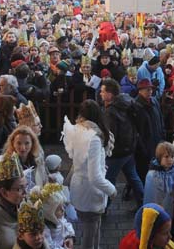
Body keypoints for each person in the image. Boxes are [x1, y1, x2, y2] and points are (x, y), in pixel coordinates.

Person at [62, 100, 116, 249]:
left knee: (89, 228)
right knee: (90, 234)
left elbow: (78, 158)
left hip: (78, 187)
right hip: (90, 192)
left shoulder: (77, 129)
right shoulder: (94, 138)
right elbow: (95, 177)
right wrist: (111, 190)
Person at [100, 78, 144, 207]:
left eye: (103, 91)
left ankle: (104, 207)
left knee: (108, 180)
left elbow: (110, 135)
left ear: (110, 94)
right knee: (133, 177)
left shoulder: (111, 111)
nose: (101, 94)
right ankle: (143, 202)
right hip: (129, 149)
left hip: (117, 152)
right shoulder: (126, 101)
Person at [143, 142, 174, 228]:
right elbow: (154, 196)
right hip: (161, 210)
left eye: (172, 157)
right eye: (166, 157)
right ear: (159, 157)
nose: (170, 160)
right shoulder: (153, 175)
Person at [133, 79, 165, 182]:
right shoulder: (136, 105)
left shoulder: (154, 101)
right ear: (140, 91)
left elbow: (160, 118)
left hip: (157, 140)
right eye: (147, 90)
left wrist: (162, 135)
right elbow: (136, 129)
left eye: (151, 89)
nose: (150, 92)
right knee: (144, 171)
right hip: (145, 145)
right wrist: (141, 146)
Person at [29, 183, 75, 249]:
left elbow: (66, 225)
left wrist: (70, 237)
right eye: (59, 209)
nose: (63, 210)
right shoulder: (45, 228)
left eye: (62, 206)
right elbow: (50, 246)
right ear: (50, 214)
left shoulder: (60, 218)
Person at [4, 125, 48, 191]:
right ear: (13, 143)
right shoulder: (6, 163)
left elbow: (44, 183)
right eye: (19, 143)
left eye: (27, 143)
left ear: (32, 143)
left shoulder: (39, 161)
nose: (23, 148)